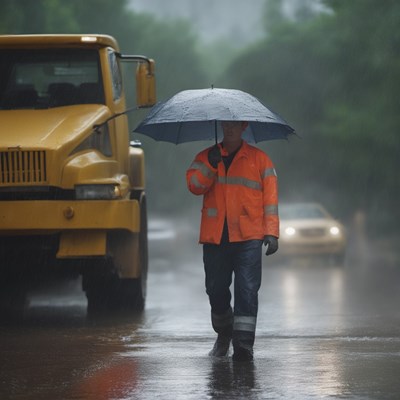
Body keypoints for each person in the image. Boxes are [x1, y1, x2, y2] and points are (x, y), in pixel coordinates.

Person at [186, 120, 279, 362]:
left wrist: (272, 232)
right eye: (225, 126)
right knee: (215, 290)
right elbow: (194, 186)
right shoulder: (206, 156)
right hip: (216, 236)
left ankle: (243, 347)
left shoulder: (260, 160)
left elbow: (270, 198)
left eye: (234, 126)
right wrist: (210, 164)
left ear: (243, 128)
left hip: (249, 236)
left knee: (247, 290)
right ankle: (224, 333)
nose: (229, 129)